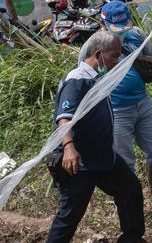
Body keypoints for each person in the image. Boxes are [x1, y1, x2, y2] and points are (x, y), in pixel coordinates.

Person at [46, 30, 145, 243]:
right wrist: (69, 148)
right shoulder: (78, 79)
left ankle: (132, 238)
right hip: (80, 160)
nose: (117, 60)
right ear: (99, 54)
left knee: (130, 189)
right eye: (114, 55)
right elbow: (64, 117)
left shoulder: (98, 78)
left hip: (103, 156)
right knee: (71, 213)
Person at [81, 0, 152, 206]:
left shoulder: (136, 36)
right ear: (103, 24)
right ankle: (130, 206)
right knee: (124, 161)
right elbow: (83, 78)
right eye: (115, 29)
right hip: (115, 111)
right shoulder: (92, 47)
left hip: (143, 104)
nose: (121, 33)